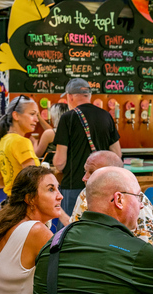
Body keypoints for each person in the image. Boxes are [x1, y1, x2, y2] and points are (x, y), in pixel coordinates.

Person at [33, 167, 153, 294]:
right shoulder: (139, 252)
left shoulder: (52, 246)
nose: (142, 205)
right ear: (119, 200)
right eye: (138, 197)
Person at [0, 166, 62, 294]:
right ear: (30, 199)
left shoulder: (6, 223)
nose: (60, 196)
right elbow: (66, 277)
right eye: (51, 189)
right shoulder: (36, 230)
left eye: (58, 189)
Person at [53, 78, 121, 220]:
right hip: (102, 187)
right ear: (89, 96)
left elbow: (60, 163)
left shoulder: (67, 118)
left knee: (71, 229)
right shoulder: (106, 116)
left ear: (70, 97)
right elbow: (117, 154)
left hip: (74, 186)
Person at [68, 151, 153, 248]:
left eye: (91, 172)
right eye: (85, 171)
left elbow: (146, 248)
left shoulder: (136, 201)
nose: (84, 178)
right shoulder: (85, 193)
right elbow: (75, 231)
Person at [0, 95, 40, 197]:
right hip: (26, 204)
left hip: (11, 202)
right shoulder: (21, 142)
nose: (36, 120)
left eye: (37, 115)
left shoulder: (3, 141)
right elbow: (34, 179)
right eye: (32, 114)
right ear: (16, 115)